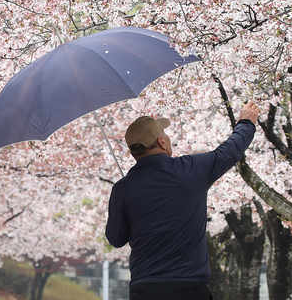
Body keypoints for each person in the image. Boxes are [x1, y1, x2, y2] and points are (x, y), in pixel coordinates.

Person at [105, 101, 260, 300]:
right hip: (189, 286)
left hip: (144, 289)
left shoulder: (122, 188)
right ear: (162, 141)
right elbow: (230, 151)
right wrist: (246, 123)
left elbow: (116, 239)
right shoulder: (191, 169)